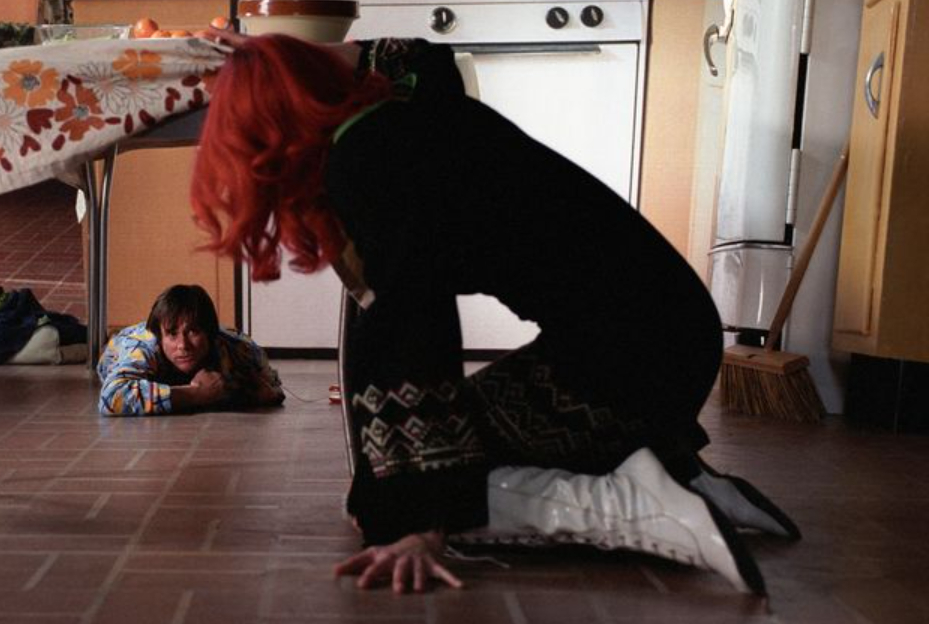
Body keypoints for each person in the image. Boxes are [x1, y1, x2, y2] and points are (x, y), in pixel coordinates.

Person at [191, 31, 799, 595]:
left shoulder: (369, 161)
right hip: (666, 337)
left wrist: (422, 519)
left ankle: (641, 508)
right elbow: (429, 58)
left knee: (393, 497)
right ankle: (683, 474)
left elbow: (412, 329)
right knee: (383, 483)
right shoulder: (408, 112)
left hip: (636, 361)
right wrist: (274, 57)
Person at [97, 284, 284, 415]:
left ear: (210, 333)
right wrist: (196, 394)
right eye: (172, 334)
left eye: (193, 332)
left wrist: (237, 389)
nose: (183, 345)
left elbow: (272, 389)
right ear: (160, 337)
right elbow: (111, 397)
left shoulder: (239, 347)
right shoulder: (141, 347)